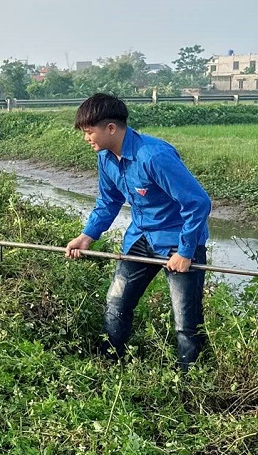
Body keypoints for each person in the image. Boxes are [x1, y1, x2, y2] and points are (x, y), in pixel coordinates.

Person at [64, 93, 211, 371]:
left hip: (177, 240)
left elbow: (198, 202)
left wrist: (185, 251)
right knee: (116, 302)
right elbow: (109, 201)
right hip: (141, 237)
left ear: (110, 128)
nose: (86, 138)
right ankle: (110, 365)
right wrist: (87, 236)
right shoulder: (106, 157)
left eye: (89, 132)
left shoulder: (154, 156)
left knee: (186, 322)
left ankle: (191, 383)